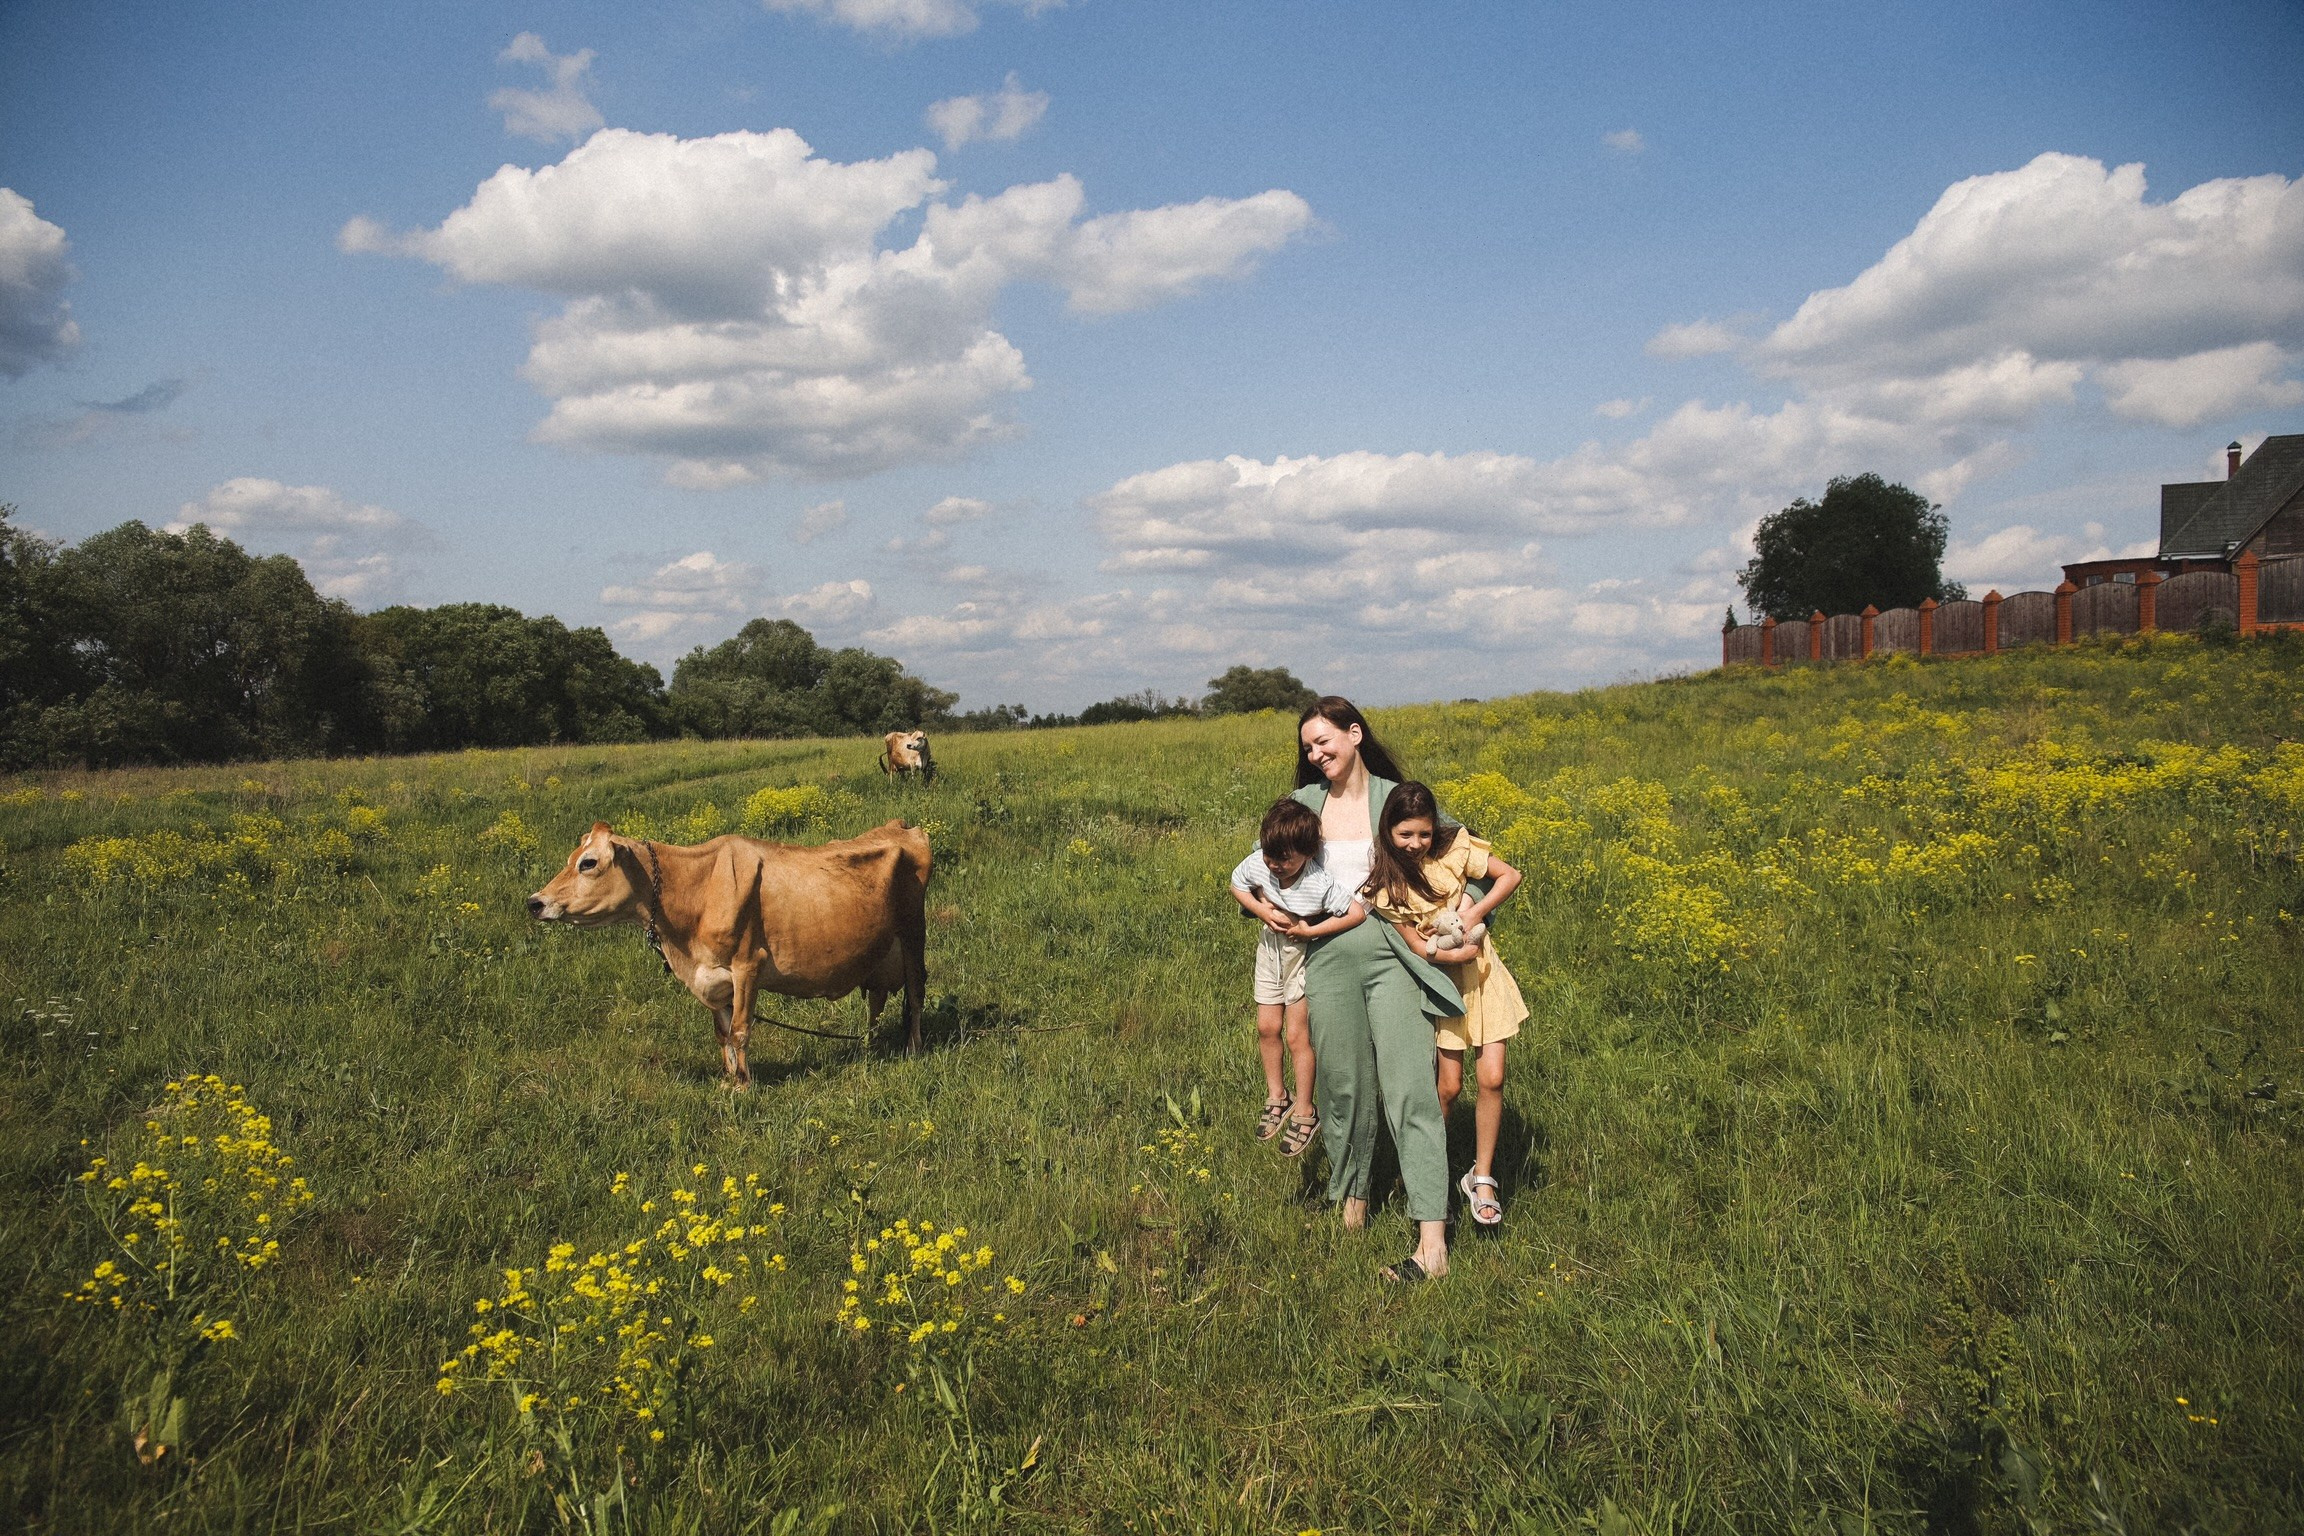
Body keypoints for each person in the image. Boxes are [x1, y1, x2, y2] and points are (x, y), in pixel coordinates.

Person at [1290, 697, 1474, 1283]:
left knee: (1408, 1088)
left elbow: (1449, 867)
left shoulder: (1396, 797)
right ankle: (1353, 1202)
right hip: (1326, 961)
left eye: (1325, 741)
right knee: (1343, 1087)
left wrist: (1466, 922)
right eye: (1308, 748)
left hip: (1395, 957)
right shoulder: (1302, 805)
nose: (1317, 755)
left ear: (1355, 733)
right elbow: (1273, 868)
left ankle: (1432, 1236)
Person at [1361, 781, 1528, 1227]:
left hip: (1485, 977)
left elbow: (1509, 875)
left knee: (1492, 1077)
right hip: (1443, 985)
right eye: (1405, 835)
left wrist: (1473, 914)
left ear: (1436, 830)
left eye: (1424, 834)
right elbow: (1416, 947)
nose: (1416, 844)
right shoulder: (1388, 885)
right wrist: (1449, 952)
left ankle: (1483, 1177)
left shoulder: (1456, 850)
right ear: (1388, 833)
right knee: (1448, 1088)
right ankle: (1423, 1167)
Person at [1228, 798, 1365, 1158]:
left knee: (1296, 1035)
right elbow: (1237, 883)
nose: (1274, 865)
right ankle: (1277, 1095)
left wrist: (1310, 931)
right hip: (1269, 950)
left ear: (1307, 853)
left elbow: (1355, 914)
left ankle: (1305, 1109)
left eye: (1284, 859)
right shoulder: (1262, 862)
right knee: (1266, 1027)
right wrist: (1261, 911)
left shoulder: (1319, 882)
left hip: (1301, 957)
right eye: (1271, 856)